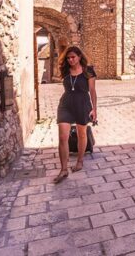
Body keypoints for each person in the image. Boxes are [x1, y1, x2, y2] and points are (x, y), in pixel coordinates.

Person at [54, 46, 97, 183]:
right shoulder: (65, 70)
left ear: (79, 57)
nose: (70, 60)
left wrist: (94, 109)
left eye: (73, 57)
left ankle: (80, 161)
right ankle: (63, 169)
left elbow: (92, 91)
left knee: (81, 134)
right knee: (62, 137)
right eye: (68, 58)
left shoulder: (88, 71)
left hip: (82, 104)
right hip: (66, 104)